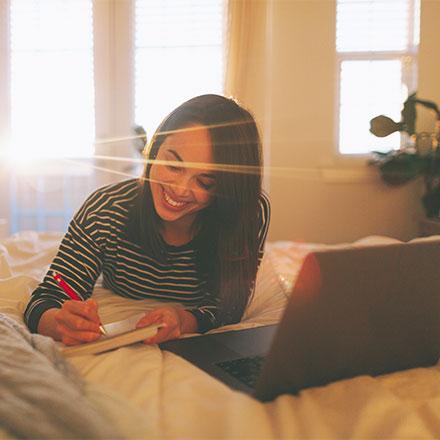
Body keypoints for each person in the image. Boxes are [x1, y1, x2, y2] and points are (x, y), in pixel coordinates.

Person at [24, 94, 271, 346]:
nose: (180, 189)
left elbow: (228, 307)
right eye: (173, 166)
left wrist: (183, 320)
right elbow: (46, 299)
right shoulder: (106, 209)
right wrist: (61, 323)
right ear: (153, 152)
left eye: (205, 182)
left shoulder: (249, 211)